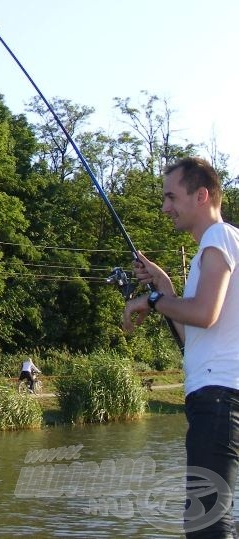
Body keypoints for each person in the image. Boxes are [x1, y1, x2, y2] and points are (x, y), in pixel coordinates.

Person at [123, 156, 239, 538]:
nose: (164, 207)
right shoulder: (217, 247)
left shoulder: (218, 237)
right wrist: (166, 290)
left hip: (220, 398)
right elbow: (196, 339)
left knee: (205, 521)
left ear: (201, 195)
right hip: (219, 394)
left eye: (171, 196)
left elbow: (203, 313)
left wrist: (150, 302)